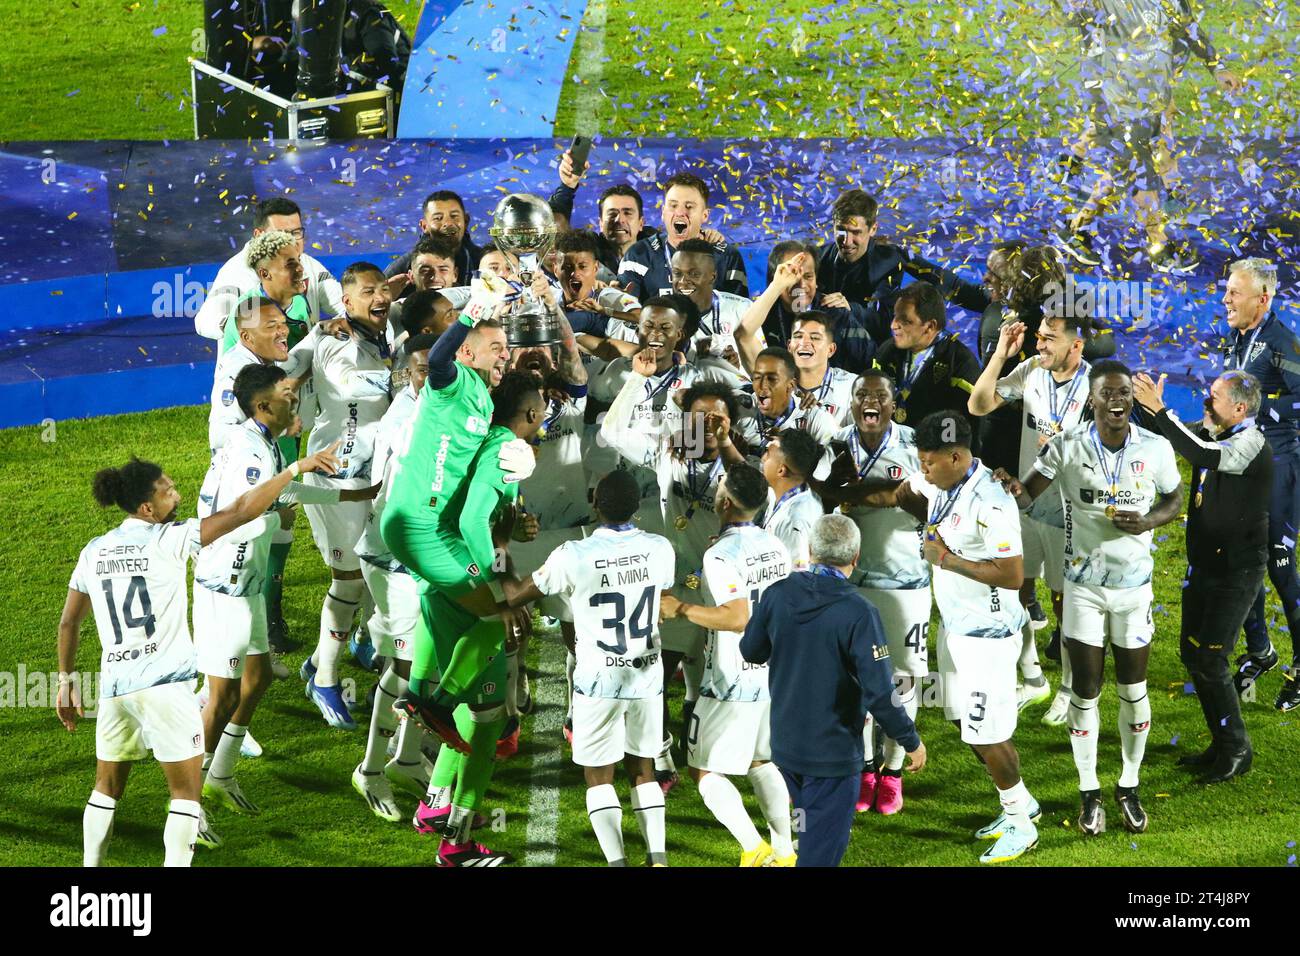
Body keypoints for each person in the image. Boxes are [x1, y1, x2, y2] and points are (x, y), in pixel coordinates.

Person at [56, 443, 343, 865]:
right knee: (186, 795)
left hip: (115, 688)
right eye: (166, 490)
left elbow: (68, 623)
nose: (176, 493)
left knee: (106, 789)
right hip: (167, 689)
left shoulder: (94, 551)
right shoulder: (172, 539)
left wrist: (65, 684)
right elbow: (243, 510)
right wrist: (296, 468)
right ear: (146, 508)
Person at [999, 361, 1182, 836]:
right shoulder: (1067, 445)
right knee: (1085, 689)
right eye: (1108, 393)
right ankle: (1089, 791)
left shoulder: (1156, 447)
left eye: (1124, 392)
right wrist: (1010, 488)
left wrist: (1147, 522)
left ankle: (1129, 784)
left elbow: (1174, 500)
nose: (1117, 400)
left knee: (1133, 690)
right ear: (1092, 400)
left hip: (1134, 589)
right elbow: (1028, 491)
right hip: (1082, 590)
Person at [855, 411, 1038, 863]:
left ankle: (1020, 822)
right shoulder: (942, 483)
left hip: (988, 637)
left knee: (987, 733)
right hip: (955, 627)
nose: (923, 470)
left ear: (956, 456)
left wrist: (946, 558)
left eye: (929, 462)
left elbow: (1013, 575)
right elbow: (906, 495)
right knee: (963, 721)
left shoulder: (992, 502)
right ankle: (1020, 802)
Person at [195, 365, 375, 815]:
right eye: (285, 393)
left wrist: (347, 497)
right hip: (226, 586)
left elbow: (281, 493)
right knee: (221, 699)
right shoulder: (252, 453)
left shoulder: (260, 442)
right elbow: (243, 516)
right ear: (262, 405)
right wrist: (295, 474)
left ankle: (221, 773)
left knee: (255, 682)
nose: (293, 398)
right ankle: (188, 801)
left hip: (246, 585)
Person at [379, 279, 536, 750]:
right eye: (495, 347)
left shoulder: (483, 398)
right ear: (470, 353)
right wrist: (468, 316)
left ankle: (421, 699)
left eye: (506, 348)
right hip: (419, 526)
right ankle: (439, 704)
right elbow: (441, 359)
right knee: (499, 614)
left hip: (429, 526)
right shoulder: (451, 383)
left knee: (459, 612)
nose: (504, 354)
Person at [502, 470, 677, 867]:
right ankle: (658, 860)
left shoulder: (573, 554)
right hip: (646, 675)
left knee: (599, 777)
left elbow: (516, 594)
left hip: (597, 679)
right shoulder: (660, 548)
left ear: (594, 503)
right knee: (643, 770)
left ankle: (617, 862)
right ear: (637, 507)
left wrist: (500, 550)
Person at [413, 370, 547, 867]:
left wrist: (513, 523)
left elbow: (486, 516)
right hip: (464, 593)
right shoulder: (509, 452)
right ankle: (457, 843)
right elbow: (473, 522)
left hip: (439, 583)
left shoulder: (483, 439)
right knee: (485, 724)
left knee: (472, 712)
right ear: (531, 415)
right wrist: (500, 591)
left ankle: (434, 804)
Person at [739, 513, 926, 867]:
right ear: (856, 559)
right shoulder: (859, 612)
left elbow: (751, 650)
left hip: (787, 749)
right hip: (832, 756)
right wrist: (910, 740)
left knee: (807, 832)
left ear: (809, 551)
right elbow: (880, 692)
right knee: (820, 856)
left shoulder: (777, 594)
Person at [601, 359, 747, 791]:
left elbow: (752, 486)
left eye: (714, 418)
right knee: (654, 675)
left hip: (724, 590)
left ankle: (707, 749)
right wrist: (637, 379)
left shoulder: (736, 463)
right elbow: (611, 432)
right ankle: (661, 753)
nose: (704, 424)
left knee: (716, 679)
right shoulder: (666, 451)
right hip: (673, 588)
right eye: (696, 416)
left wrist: (724, 444)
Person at [1133, 369, 1269, 783]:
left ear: (1240, 408)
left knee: (1210, 658)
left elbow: (1200, 454)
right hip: (1204, 568)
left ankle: (1237, 749)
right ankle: (1221, 740)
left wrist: (1161, 409)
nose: (1206, 402)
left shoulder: (1249, 442)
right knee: (1195, 657)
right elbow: (1170, 437)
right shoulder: (1215, 433)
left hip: (1236, 572)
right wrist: (1145, 409)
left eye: (1214, 397)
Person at [659, 464, 794, 866]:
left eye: (720, 487)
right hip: (772, 673)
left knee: (703, 769)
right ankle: (785, 852)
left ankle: (754, 850)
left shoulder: (720, 554)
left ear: (726, 501)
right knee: (760, 760)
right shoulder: (775, 545)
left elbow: (738, 617)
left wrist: (682, 608)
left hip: (731, 679)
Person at [969, 313, 1096, 723]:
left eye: (1050, 339)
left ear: (1076, 346)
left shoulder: (1096, 387)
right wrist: (1001, 355)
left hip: (1069, 515)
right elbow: (978, 404)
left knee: (1065, 606)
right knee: (1016, 590)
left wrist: (1066, 446)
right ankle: (1035, 677)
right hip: (1024, 503)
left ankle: (1070, 688)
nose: (1039, 345)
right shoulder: (1030, 371)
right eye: (1039, 337)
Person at [816, 371, 930, 814]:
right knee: (854, 677)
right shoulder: (836, 443)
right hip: (852, 583)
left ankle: (894, 768)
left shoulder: (915, 443)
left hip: (906, 581)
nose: (870, 401)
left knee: (904, 678)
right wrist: (885, 493)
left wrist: (858, 493)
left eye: (879, 395)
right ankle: (864, 766)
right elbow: (824, 496)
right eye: (861, 394)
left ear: (892, 403)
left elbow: (928, 503)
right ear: (851, 402)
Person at [291, 263, 395, 730]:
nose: (381, 297)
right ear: (347, 303)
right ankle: (326, 679)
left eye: (384, 290)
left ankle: (336, 653)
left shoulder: (385, 332)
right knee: (350, 577)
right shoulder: (336, 339)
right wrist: (405, 375)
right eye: (368, 292)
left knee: (380, 563)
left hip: (374, 472)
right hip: (339, 475)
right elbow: (349, 385)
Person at [353, 335, 438, 821]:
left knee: (427, 664)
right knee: (407, 668)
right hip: (393, 557)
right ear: (407, 373)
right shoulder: (406, 421)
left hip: (424, 555)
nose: (427, 377)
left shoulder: (446, 408)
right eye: (420, 370)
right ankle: (370, 769)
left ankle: (406, 758)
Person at [1218, 258, 1300, 712]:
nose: (1226, 298)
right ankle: (1261, 650)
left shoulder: (1281, 341)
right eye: (1227, 290)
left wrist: (1259, 412)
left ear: (1262, 299)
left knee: (1281, 568)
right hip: (1242, 467)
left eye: (1234, 292)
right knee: (1240, 560)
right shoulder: (1238, 336)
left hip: (1278, 470)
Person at [813, 189, 965, 346]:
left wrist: (849, 308)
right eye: (841, 231)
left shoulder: (889, 260)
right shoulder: (817, 258)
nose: (846, 241)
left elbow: (947, 282)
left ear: (873, 229)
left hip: (868, 347)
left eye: (856, 232)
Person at [194, 197, 343, 343]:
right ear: (259, 235)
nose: (293, 242)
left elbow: (342, 303)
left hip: (299, 363)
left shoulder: (310, 265)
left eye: (296, 233)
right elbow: (205, 321)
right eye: (281, 234)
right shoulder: (236, 273)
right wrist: (248, 328)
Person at [872, 282, 982, 445]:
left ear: (930, 326)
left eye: (905, 321)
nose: (894, 325)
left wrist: (943, 457)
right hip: (889, 449)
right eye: (895, 316)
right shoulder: (887, 351)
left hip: (933, 457)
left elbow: (964, 426)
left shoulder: (959, 362)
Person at [617, 172, 748, 300]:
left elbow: (739, 314)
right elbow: (624, 312)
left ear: (705, 215)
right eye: (673, 205)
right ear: (663, 212)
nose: (680, 212)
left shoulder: (727, 257)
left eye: (689, 206)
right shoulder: (639, 255)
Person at [736, 347, 839, 457]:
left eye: (771, 379)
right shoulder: (739, 407)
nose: (762, 386)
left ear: (790, 385)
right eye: (757, 378)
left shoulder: (816, 420)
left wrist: (790, 446)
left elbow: (831, 469)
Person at [670, 237, 754, 369]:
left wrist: (737, 368)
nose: (682, 281)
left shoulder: (743, 309)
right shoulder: (661, 315)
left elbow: (760, 364)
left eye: (694, 274)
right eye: (677, 273)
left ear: (712, 277)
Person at [384, 190, 483, 295]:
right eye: (438, 218)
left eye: (454, 216)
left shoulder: (482, 262)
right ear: (424, 226)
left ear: (466, 221)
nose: (448, 223)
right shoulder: (401, 268)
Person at [759, 428, 826, 573]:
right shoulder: (781, 495)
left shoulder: (796, 519)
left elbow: (799, 578)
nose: (762, 459)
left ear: (781, 470)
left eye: (768, 454)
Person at [789, 312, 858, 426]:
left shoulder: (852, 387)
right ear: (789, 347)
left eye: (815, 338)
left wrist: (821, 417)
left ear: (831, 350)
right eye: (798, 336)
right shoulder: (777, 385)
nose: (804, 343)